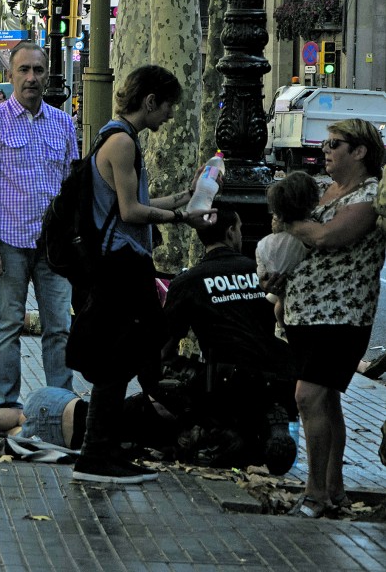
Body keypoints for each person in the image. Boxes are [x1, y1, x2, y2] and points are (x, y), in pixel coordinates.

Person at [66, 64, 215, 485]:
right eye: (168, 106)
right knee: (126, 354)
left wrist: (180, 199)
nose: (170, 116)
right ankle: (97, 453)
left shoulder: (114, 135)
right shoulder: (123, 143)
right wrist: (181, 217)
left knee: (129, 352)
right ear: (150, 101)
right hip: (121, 264)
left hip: (120, 262)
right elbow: (131, 213)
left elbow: (127, 202)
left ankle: (106, 448)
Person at [273, 118, 386, 517]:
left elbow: (327, 237)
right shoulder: (323, 190)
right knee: (327, 400)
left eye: (334, 144)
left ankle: (315, 493)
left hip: (342, 314)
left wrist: (290, 224)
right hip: (304, 312)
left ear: (360, 151)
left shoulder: (372, 195)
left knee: (307, 397)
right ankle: (334, 489)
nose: (325, 150)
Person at [0, 41, 78, 413]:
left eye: (38, 71)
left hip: (54, 248)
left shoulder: (63, 124)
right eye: (24, 70)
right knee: (9, 325)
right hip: (9, 244)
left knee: (59, 328)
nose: (31, 78)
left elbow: (72, 187)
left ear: (47, 76)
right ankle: (7, 406)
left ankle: (60, 405)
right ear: (10, 75)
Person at [162, 208, 298, 475]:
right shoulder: (260, 272)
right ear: (230, 232)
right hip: (275, 373)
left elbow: (165, 344)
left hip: (223, 380)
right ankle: (269, 421)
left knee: (168, 372)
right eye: (240, 228)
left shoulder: (188, 281)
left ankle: (211, 429)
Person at [257, 171, 317, 325]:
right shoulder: (308, 235)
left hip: (279, 285)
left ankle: (281, 325)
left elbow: (263, 276)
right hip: (304, 308)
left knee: (280, 302)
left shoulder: (264, 243)